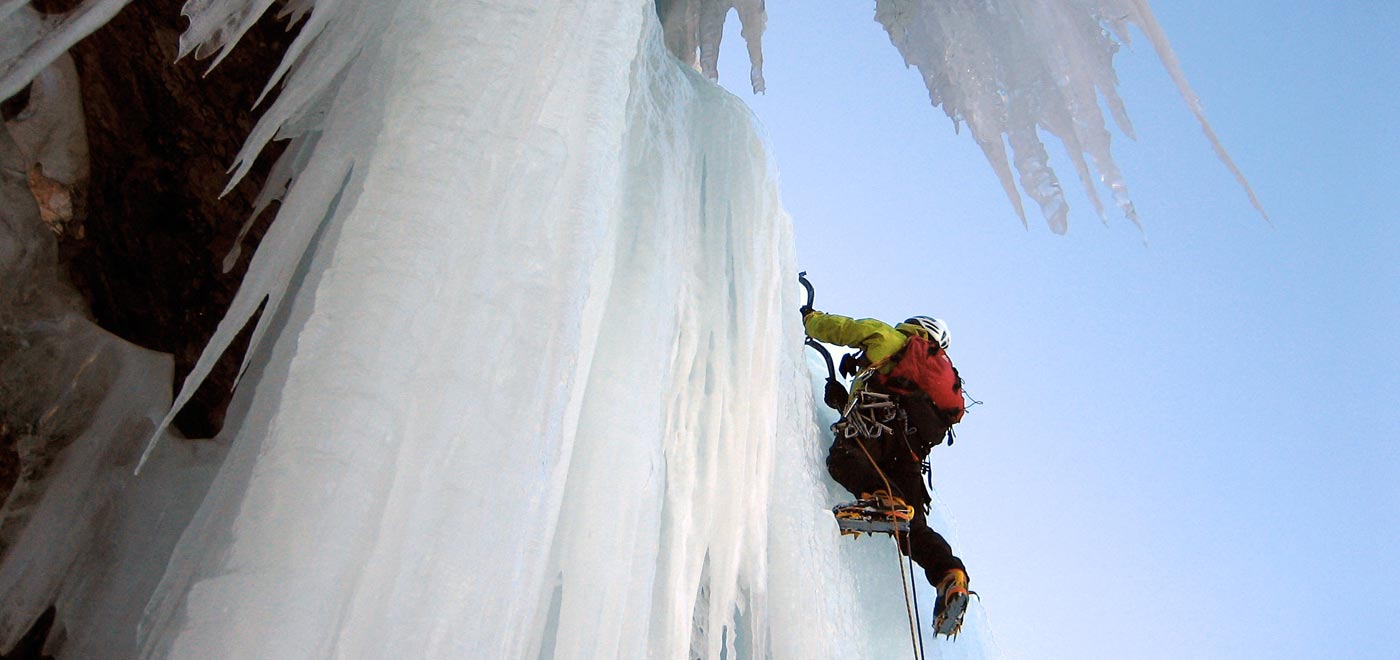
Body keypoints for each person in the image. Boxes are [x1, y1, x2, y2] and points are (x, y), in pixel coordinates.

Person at [802, 308, 971, 634]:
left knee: (842, 461)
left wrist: (807, 318)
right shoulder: (930, 383)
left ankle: (883, 500)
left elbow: (843, 328)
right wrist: (842, 399)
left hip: (874, 433)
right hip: (907, 457)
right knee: (912, 529)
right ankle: (950, 577)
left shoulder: (889, 338)